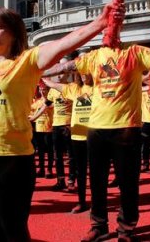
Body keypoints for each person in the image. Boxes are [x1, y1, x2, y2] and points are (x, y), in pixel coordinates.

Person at [0, 3, 124, 242]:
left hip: (13, 160)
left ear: (15, 32)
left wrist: (101, 23)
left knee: (14, 230)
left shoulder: (28, 60)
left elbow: (63, 44)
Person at [44, 28, 150, 240]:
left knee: (128, 183)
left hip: (126, 129)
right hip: (96, 130)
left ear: (120, 31)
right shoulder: (94, 56)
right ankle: (99, 225)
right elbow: (67, 66)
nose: (108, 32)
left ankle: (126, 228)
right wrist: (39, 72)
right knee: (97, 182)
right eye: (105, 27)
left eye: (114, 26)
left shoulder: (134, 53)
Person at [44, 71, 93, 213]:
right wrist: (42, 74)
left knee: (96, 172)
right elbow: (52, 86)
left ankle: (97, 204)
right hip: (77, 135)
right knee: (81, 171)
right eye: (82, 72)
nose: (85, 75)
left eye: (88, 71)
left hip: (94, 134)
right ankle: (82, 201)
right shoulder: (74, 89)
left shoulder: (98, 89)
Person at [46, 67, 73, 191]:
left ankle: (71, 181)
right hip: (56, 125)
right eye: (56, 74)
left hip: (69, 125)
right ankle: (60, 180)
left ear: (67, 75)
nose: (58, 76)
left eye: (61, 73)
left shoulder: (72, 88)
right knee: (57, 155)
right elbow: (45, 105)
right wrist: (33, 117)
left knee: (71, 155)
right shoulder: (52, 90)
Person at [29, 83, 55, 178]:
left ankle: (49, 169)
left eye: (44, 89)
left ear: (48, 91)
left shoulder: (50, 101)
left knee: (49, 150)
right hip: (38, 128)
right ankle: (42, 168)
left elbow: (49, 106)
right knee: (40, 150)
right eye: (40, 89)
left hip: (48, 128)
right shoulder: (38, 101)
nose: (42, 91)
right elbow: (33, 111)